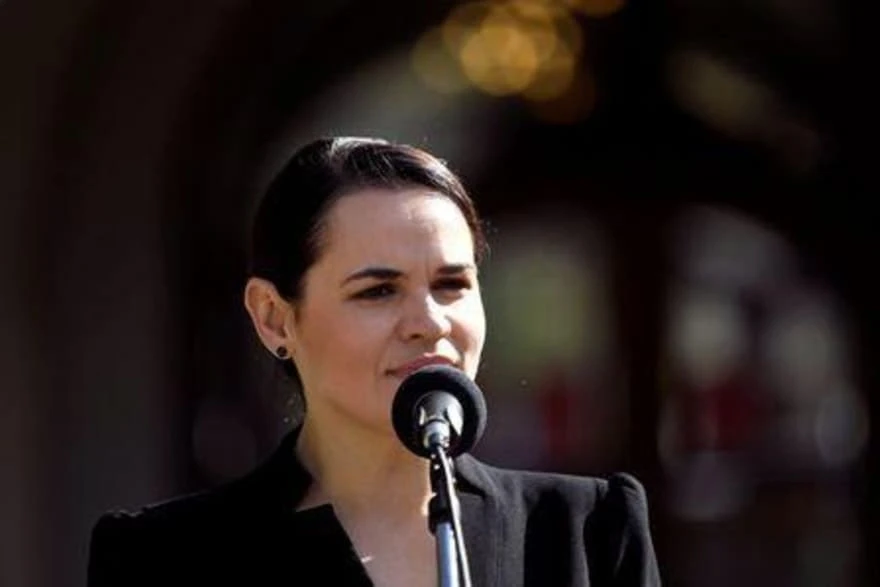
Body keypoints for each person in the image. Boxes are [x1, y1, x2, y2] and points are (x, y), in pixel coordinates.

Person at [87, 137, 662, 586]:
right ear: (274, 318)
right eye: (378, 291)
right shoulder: (162, 558)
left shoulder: (588, 529)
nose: (430, 323)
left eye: (452, 285)